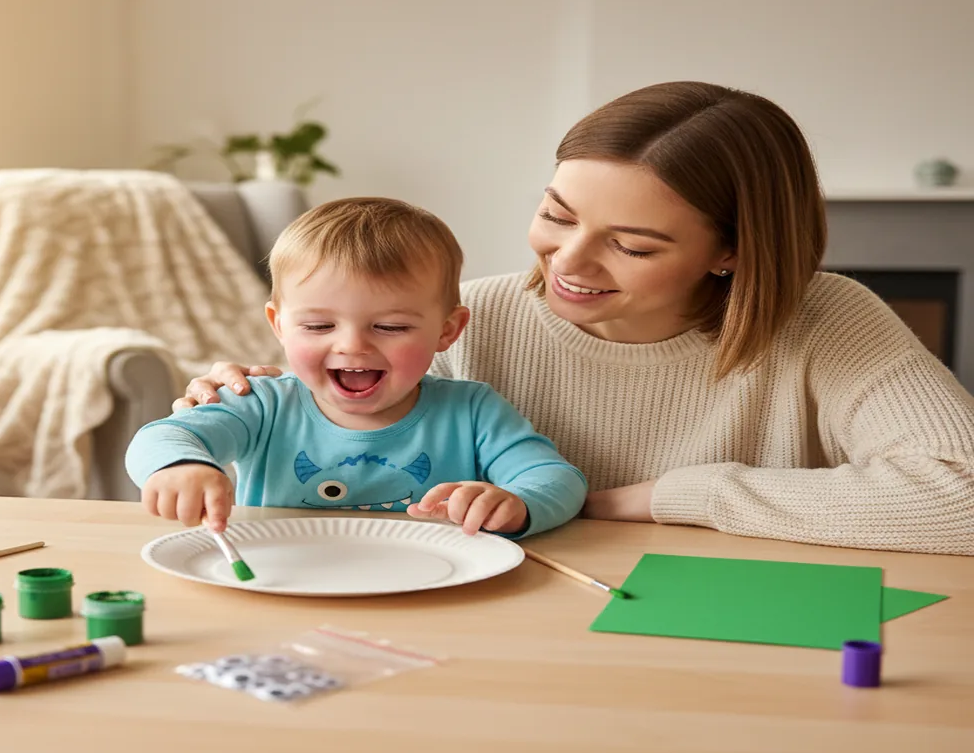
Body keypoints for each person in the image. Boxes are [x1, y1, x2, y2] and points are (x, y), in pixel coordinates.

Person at [176, 81, 974, 556]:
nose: (568, 264)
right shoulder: (468, 317)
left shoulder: (826, 320)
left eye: (629, 245)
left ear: (729, 252)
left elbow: (961, 495)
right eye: (557, 214)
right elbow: (334, 438)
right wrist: (236, 403)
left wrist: (667, 496)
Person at [125, 197, 587, 538]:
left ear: (447, 331)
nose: (351, 346)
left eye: (389, 326)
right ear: (279, 325)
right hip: (286, 576)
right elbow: (160, 436)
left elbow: (558, 480)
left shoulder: (472, 410)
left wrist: (515, 503)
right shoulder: (260, 403)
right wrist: (182, 464)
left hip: (428, 583)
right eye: (319, 324)